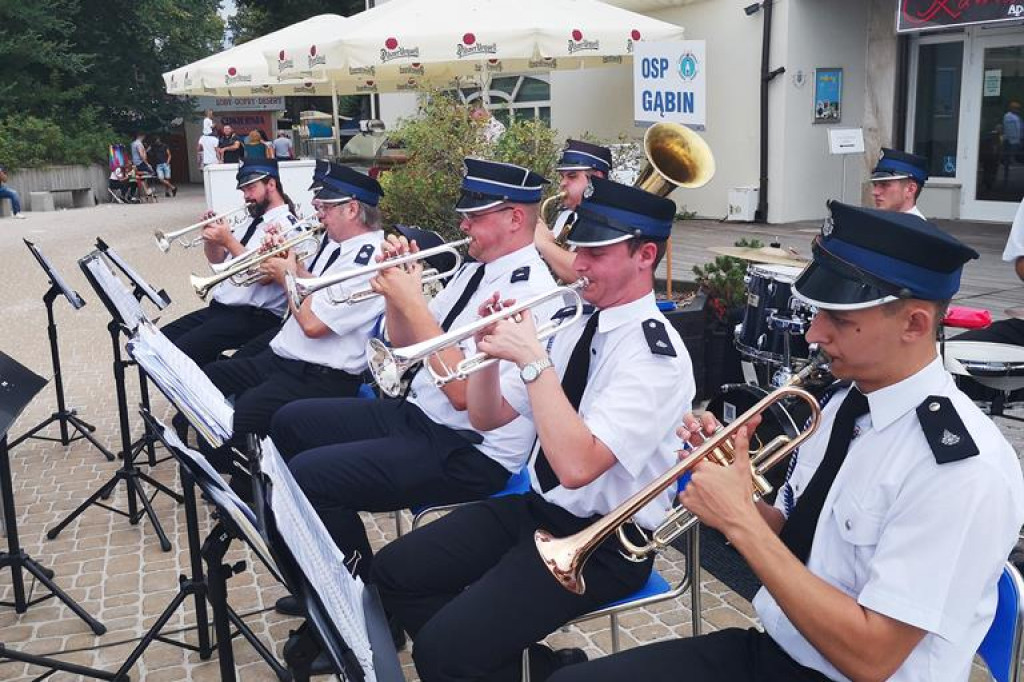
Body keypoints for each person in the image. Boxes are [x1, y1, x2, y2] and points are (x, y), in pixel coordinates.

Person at [548, 201, 1024, 682]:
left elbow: (872, 658)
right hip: (785, 650)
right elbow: (794, 534)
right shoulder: (843, 402)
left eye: (837, 319)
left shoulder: (961, 469)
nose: (815, 333)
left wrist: (739, 521)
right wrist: (730, 487)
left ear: (915, 325)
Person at [370, 177, 696, 682]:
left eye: (597, 252)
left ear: (645, 255)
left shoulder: (657, 357)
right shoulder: (573, 321)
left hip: (602, 544)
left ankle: (478, 660)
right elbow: (487, 416)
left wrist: (531, 361)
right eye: (578, 247)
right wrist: (485, 352)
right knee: (395, 574)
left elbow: (576, 466)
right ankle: (533, 668)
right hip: (538, 512)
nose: (579, 263)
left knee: (443, 654)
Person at [268, 158, 558, 588]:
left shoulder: (536, 295)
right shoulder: (474, 270)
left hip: (468, 450)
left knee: (313, 477)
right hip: (420, 417)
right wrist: (393, 288)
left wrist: (415, 303)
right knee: (289, 422)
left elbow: (463, 395)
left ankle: (360, 601)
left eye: (473, 216)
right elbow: (406, 345)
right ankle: (320, 576)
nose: (462, 226)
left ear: (515, 218)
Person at [199, 163, 385, 473]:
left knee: (235, 422)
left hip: (317, 376)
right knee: (209, 379)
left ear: (352, 209)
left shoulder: (370, 259)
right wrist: (287, 262)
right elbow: (317, 287)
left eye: (324, 205)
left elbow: (313, 325)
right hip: (284, 359)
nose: (317, 210)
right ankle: (236, 468)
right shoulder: (339, 244)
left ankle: (250, 485)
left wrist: (287, 277)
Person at [161, 158, 297, 366]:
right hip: (222, 308)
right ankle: (215, 374)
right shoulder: (250, 220)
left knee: (180, 353)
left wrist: (228, 240)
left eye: (251, 188)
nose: (246, 196)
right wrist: (211, 239)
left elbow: (263, 277)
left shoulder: (288, 227)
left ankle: (219, 379)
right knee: (162, 340)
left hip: (254, 316)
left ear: (271, 184)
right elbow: (218, 261)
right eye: (243, 190)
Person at [535, 140, 613, 282]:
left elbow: (583, 275)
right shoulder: (566, 217)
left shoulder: (610, 222)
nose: (563, 183)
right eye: (562, 177)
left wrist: (545, 245)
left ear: (596, 178)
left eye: (572, 176)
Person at [869, 147, 928, 218]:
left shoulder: (916, 228)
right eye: (875, 185)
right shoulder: (880, 223)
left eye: (884, 185)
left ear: (910, 189)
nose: (875, 192)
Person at [131, 132, 155, 200]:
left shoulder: (133, 143)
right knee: (152, 172)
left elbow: (137, 154)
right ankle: (149, 189)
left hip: (135, 163)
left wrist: (146, 151)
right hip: (140, 163)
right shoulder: (139, 144)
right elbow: (141, 155)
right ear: (142, 136)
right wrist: (147, 164)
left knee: (142, 178)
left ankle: (147, 191)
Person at [1003, 101, 1022, 184]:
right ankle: (1006, 178)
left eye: (1018, 109)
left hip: (1017, 140)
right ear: (1012, 108)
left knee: (1014, 158)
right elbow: (1010, 130)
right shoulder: (1009, 116)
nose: (1018, 110)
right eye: (1016, 108)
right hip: (1012, 141)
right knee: (1009, 159)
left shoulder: (1016, 117)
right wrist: (1014, 139)